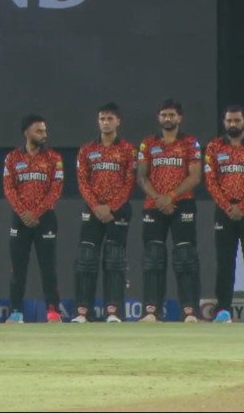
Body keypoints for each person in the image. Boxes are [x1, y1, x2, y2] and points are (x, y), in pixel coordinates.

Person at [137, 99, 203, 322]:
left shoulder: (190, 143)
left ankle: (190, 311)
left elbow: (195, 176)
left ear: (179, 118)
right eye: (164, 115)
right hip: (154, 205)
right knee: (153, 258)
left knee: (185, 257)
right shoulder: (148, 144)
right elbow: (142, 176)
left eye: (172, 115)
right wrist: (158, 198)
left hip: (181, 203)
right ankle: (151, 311)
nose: (168, 119)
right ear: (159, 118)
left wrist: (171, 196)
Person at [73, 103, 137, 323]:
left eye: (110, 118)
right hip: (93, 210)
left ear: (118, 121)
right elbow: (83, 181)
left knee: (115, 260)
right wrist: (96, 206)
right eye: (102, 118)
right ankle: (83, 311)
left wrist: (111, 207)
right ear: (98, 121)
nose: (106, 122)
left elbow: (129, 181)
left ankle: (114, 311)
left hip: (117, 211)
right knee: (86, 260)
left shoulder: (128, 149)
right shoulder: (87, 150)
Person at [205, 105, 244, 324]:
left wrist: (243, 206)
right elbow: (211, 180)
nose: (233, 124)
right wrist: (227, 206)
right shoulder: (214, 147)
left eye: (237, 120)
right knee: (225, 262)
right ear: (224, 122)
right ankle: (223, 309)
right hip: (224, 211)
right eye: (229, 120)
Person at [3, 114, 65, 324]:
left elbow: (55, 190)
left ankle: (53, 311)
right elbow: (9, 188)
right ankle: (16, 312)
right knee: (17, 268)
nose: (44, 134)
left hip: (45, 219)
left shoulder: (54, 158)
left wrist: (36, 212)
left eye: (45, 131)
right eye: (39, 131)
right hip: (20, 220)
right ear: (26, 132)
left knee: (48, 267)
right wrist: (23, 212)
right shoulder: (12, 158)